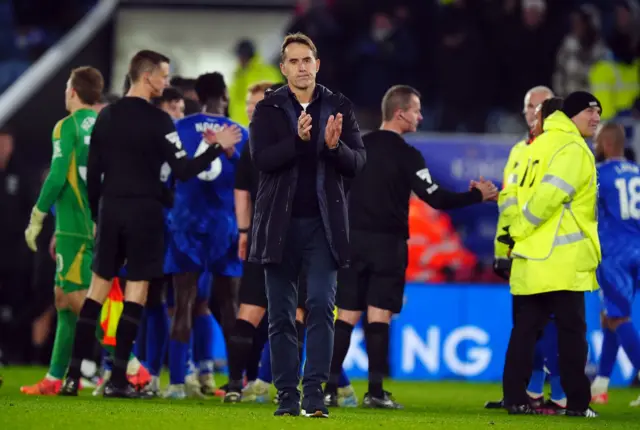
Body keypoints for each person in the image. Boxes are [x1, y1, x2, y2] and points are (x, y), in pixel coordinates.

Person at [59, 50, 240, 399]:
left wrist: (98, 216)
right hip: (145, 214)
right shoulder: (160, 123)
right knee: (136, 294)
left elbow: (92, 174)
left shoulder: (107, 116)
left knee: (96, 294)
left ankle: (72, 377)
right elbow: (185, 171)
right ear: (146, 77)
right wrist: (218, 148)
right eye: (164, 76)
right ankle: (117, 381)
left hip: (110, 209)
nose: (168, 83)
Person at [325, 85, 498, 409]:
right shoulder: (407, 155)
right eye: (416, 110)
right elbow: (437, 198)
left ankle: (329, 388)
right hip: (387, 245)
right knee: (379, 315)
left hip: (351, 243)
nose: (420, 116)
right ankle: (375, 392)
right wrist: (478, 195)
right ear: (400, 112)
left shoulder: (355, 145)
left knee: (346, 315)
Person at [249, 32, 366, 418]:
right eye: (293, 61)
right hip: (277, 225)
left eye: (307, 60)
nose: (301, 67)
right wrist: (300, 142)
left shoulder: (339, 106)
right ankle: (286, 397)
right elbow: (262, 160)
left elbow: (358, 164)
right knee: (281, 314)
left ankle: (314, 395)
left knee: (320, 306)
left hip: (323, 225)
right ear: (283, 68)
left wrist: (334, 148)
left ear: (317, 64)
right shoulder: (267, 109)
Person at [498, 91, 602, 417]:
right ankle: (576, 404)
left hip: (530, 254)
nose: (597, 118)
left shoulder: (532, 145)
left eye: (599, 112)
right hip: (561, 256)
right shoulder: (572, 149)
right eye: (590, 111)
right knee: (572, 333)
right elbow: (550, 196)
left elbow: (512, 194)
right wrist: (524, 228)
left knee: (525, 330)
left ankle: (514, 398)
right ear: (572, 115)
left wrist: (516, 233)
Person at [162, 71, 247, 399]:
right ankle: (236, 383)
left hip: (186, 224)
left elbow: (169, 175)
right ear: (224, 96)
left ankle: (176, 384)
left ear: (196, 95)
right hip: (225, 227)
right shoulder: (240, 132)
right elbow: (250, 180)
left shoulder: (179, 127)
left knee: (183, 303)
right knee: (229, 305)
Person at [21, 67, 104, 395]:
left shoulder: (66, 126)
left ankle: (129, 363)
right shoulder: (102, 124)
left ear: (73, 91)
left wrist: (39, 215)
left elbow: (57, 176)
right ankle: (55, 377)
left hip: (73, 224)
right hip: (95, 222)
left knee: (78, 300)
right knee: (63, 301)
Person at [487, 92, 569, 412]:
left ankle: (556, 392)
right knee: (527, 322)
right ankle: (534, 390)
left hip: (549, 248)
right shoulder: (520, 151)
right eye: (529, 108)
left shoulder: (557, 150)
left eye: (540, 107)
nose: (533, 114)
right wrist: (501, 247)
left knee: (549, 323)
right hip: (520, 248)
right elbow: (508, 202)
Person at [590, 123, 640, 407]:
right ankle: (601, 384)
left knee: (619, 317)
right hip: (638, 247)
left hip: (615, 254)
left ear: (606, 144)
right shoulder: (638, 172)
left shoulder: (600, 174)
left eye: (597, 141)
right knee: (609, 315)